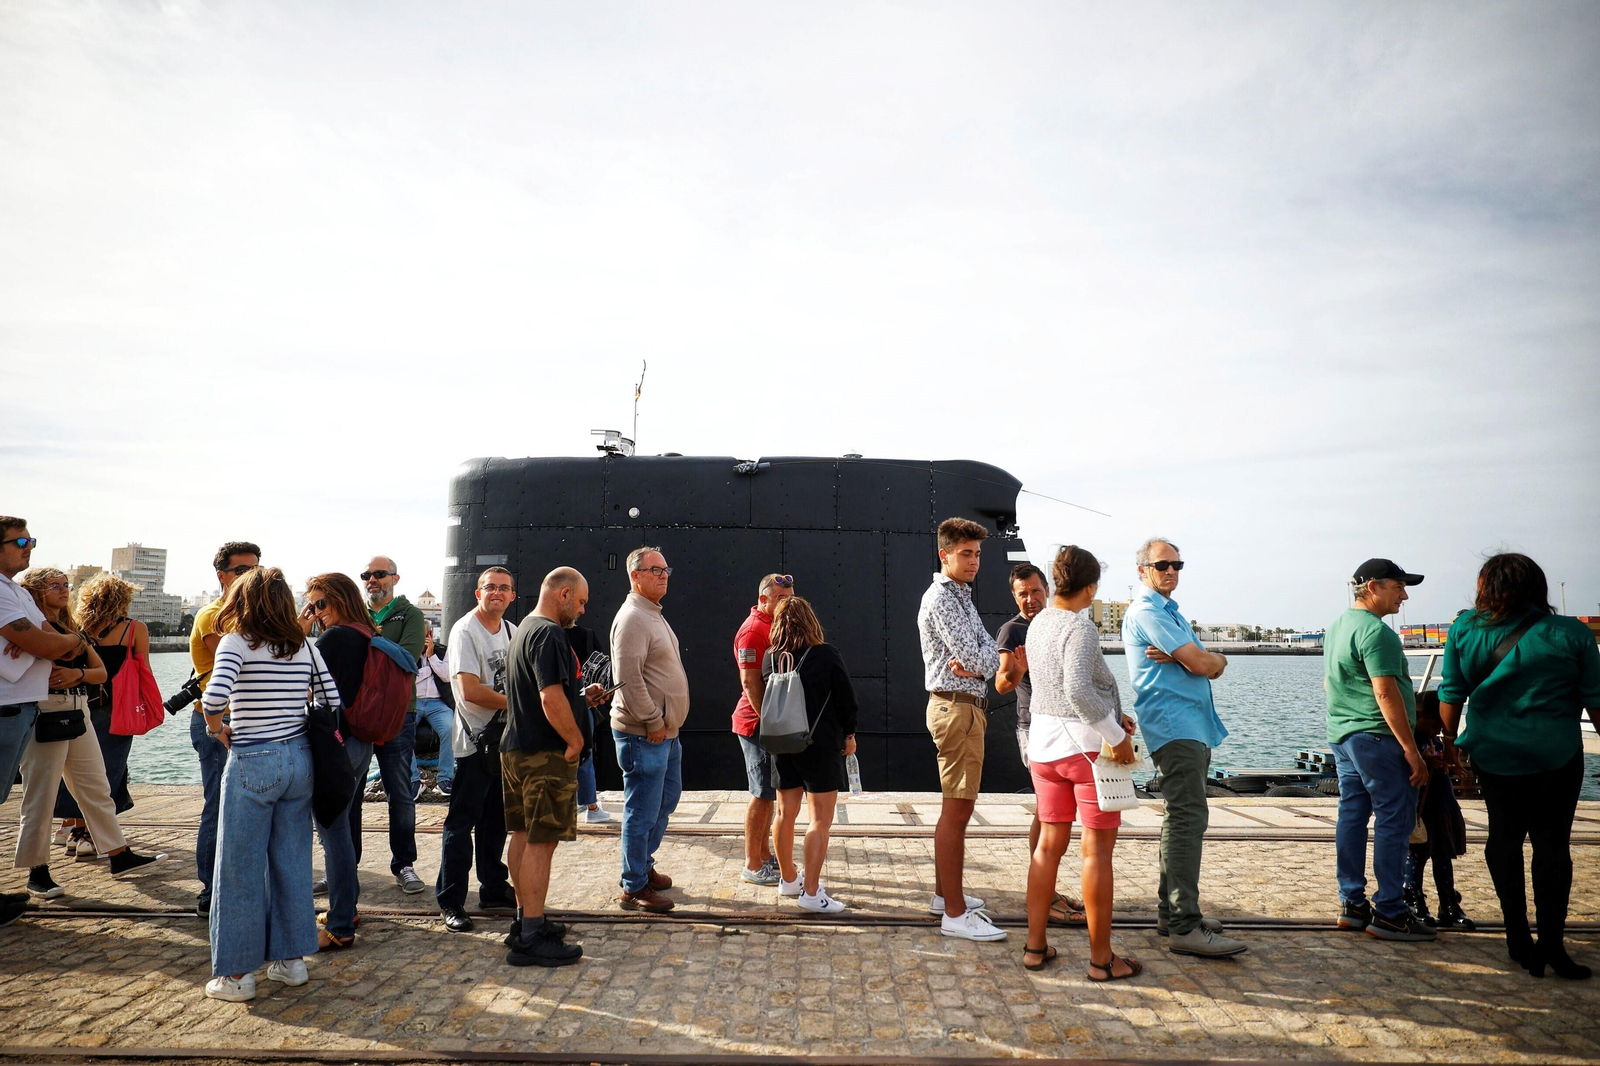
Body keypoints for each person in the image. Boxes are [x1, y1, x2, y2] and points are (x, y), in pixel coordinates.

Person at [1439, 553, 1600, 980]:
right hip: (1557, 756)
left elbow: (1451, 693)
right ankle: (1552, 946)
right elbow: (1595, 699)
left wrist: (1449, 745)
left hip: (1494, 755)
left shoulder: (1465, 629)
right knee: (1553, 848)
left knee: (1503, 839)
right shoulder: (1571, 633)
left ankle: (1517, 938)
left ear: (1487, 587)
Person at [198, 567, 333, 1001]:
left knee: (238, 867)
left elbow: (216, 696)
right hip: (300, 760)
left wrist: (216, 727)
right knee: (291, 861)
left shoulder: (237, 643)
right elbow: (330, 696)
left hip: (255, 757)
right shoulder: (305, 646)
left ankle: (237, 975)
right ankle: (291, 961)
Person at [1122, 538, 1247, 958]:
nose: (1171, 571)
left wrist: (1206, 659)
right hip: (1175, 727)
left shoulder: (1168, 613)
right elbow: (1202, 665)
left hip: (1188, 725)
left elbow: (1204, 662)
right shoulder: (1148, 612)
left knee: (1181, 817)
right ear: (1143, 570)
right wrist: (1207, 659)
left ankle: (1170, 913)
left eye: (1177, 564)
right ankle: (1183, 924)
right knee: (1188, 817)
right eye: (1161, 565)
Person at [1022, 546, 1141, 979]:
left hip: (1044, 748)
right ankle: (1101, 960)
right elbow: (1077, 689)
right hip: (1086, 751)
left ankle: (1035, 948)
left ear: (1055, 583)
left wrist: (1113, 710)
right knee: (1097, 854)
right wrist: (1118, 737)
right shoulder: (1080, 627)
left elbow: (1057, 684)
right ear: (1090, 587)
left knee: (1047, 847)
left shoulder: (1037, 624)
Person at [15, 569, 164, 897]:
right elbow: (50, 651)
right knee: (40, 793)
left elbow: (98, 672)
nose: (64, 589)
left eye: (66, 584)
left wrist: (76, 667)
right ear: (35, 591)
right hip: (45, 709)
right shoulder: (24, 625)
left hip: (77, 705)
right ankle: (36, 870)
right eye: (54, 585)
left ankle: (118, 853)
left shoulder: (70, 627)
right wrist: (72, 647)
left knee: (95, 784)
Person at [1324, 558, 1435, 943]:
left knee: (1351, 817)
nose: (1404, 594)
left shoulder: (1337, 627)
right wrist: (1412, 750)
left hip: (1344, 736)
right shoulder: (1378, 633)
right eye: (1398, 586)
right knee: (1393, 821)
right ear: (1373, 586)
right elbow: (1385, 692)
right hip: (1377, 737)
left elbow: (1330, 684)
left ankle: (1352, 905)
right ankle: (1390, 911)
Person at [501, 567, 606, 966]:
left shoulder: (524, 630)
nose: (580, 611)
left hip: (517, 748)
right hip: (544, 753)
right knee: (541, 843)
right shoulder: (549, 633)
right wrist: (576, 739)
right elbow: (548, 697)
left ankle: (525, 919)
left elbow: (549, 692)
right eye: (579, 602)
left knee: (523, 836)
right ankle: (531, 936)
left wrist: (581, 700)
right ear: (563, 594)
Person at [917, 517, 1003, 942]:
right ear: (944, 555)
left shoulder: (962, 597)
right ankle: (953, 914)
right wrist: (980, 663)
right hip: (956, 709)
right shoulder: (943, 599)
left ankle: (943, 896)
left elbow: (988, 653)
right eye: (966, 554)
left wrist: (979, 663)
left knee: (960, 807)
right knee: (957, 809)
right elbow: (981, 655)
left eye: (978, 554)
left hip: (967, 707)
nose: (974, 561)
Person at [996, 562, 1084, 928]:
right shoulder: (1012, 630)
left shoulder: (1056, 624)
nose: (1030, 599)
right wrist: (1018, 668)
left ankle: (1045, 887)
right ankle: (1043, 894)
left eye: (1034, 591)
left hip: (1069, 726)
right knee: (1048, 812)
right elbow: (1002, 684)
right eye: (1022, 593)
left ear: (1046, 589)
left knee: (1055, 811)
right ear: (1014, 596)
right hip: (1034, 728)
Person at [0, 519, 76, 928]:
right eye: (21, 542)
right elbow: (51, 643)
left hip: (20, 709)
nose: (28, 547)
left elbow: (54, 639)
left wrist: (58, 641)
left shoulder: (18, 594)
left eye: (32, 541)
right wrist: (56, 642)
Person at [760, 596, 856, 915]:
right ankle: (812, 893)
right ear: (810, 620)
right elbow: (846, 700)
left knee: (785, 813)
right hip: (819, 744)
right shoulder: (825, 655)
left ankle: (788, 880)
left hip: (780, 743)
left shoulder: (771, 657)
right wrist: (850, 735)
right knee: (819, 820)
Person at [437, 567, 519, 931]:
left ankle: (493, 886)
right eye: (490, 588)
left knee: (496, 821)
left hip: (503, 740)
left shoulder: (512, 632)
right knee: (461, 823)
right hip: (474, 743)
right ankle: (451, 900)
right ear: (477, 593)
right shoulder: (465, 630)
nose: (497, 593)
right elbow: (469, 690)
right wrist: (519, 704)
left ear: (512, 596)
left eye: (504, 589)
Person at [299, 572, 378, 951]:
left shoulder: (334, 638)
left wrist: (300, 631)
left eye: (321, 605)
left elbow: (299, 680)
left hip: (337, 743)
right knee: (342, 826)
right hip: (361, 741)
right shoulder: (366, 633)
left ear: (340, 601)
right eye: (311, 606)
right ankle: (347, 909)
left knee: (333, 834)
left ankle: (342, 923)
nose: (316, 612)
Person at [609, 547, 689, 913]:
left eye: (666, 568)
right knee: (642, 809)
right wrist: (654, 721)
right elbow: (626, 679)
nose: (664, 574)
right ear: (635, 575)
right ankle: (634, 885)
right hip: (645, 734)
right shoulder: (633, 618)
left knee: (664, 803)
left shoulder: (653, 614)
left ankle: (643, 865)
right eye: (655, 569)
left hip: (664, 734)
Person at [54, 572, 150, 857]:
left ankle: (72, 828)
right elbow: (143, 671)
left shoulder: (76, 627)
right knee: (107, 770)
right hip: (116, 707)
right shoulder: (134, 629)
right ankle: (86, 835)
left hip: (79, 703)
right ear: (124, 599)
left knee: (76, 770)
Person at [188, 540, 260, 918]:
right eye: (242, 571)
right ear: (222, 575)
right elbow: (243, 663)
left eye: (255, 570)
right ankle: (210, 889)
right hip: (217, 722)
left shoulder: (253, 616)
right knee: (218, 804)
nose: (251, 577)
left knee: (244, 806)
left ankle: (237, 884)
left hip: (248, 724)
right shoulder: (212, 616)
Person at [353, 556, 427, 895]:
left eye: (379, 574)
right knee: (349, 793)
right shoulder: (355, 611)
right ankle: (345, 863)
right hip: (356, 713)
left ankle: (404, 864)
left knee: (399, 792)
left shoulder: (410, 615)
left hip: (399, 712)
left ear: (395, 578)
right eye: (367, 575)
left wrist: (366, 639)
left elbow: (409, 658)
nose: (372, 580)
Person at [731, 573, 795, 886]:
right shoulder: (754, 631)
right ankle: (752, 863)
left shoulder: (773, 624)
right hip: (756, 724)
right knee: (760, 794)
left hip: (767, 723)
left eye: (790, 598)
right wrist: (770, 721)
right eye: (781, 599)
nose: (787, 604)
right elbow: (749, 682)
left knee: (768, 794)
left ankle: (765, 855)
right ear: (763, 600)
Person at [1403, 691, 1475, 932]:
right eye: (1434, 725)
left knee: (1443, 854)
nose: (1437, 730)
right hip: (1421, 806)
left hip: (1441, 803)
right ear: (1419, 715)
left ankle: (1448, 903)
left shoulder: (1436, 740)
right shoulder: (1409, 739)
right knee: (1417, 855)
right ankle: (1414, 899)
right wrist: (1421, 760)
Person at [562, 619, 612, 823]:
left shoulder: (549, 635)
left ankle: (568, 804)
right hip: (584, 705)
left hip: (560, 704)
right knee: (585, 754)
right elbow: (604, 669)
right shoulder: (588, 636)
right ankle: (590, 805)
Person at [412, 626, 455, 798]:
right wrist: (428, 669)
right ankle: (413, 779)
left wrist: (432, 657)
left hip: (438, 703)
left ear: (429, 634)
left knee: (450, 729)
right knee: (402, 731)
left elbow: (447, 675)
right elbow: (409, 678)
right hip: (414, 702)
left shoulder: (443, 651)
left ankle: (445, 779)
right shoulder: (408, 651)